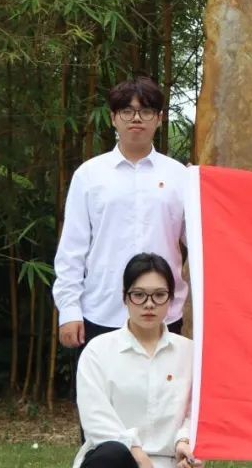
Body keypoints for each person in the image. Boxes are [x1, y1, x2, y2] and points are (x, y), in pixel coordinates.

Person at [54, 77, 189, 351]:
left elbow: (201, 245)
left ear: (159, 118)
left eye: (146, 111)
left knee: (163, 380)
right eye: (127, 111)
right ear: (114, 118)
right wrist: (68, 310)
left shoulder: (180, 176)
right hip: (102, 311)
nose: (136, 118)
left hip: (163, 311)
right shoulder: (89, 175)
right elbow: (72, 249)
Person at [72, 252, 202, 468]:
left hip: (170, 462)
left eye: (159, 295)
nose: (149, 304)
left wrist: (184, 441)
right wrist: (136, 453)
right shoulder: (98, 351)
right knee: (113, 454)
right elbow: (96, 418)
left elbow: (196, 413)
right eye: (139, 295)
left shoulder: (190, 353)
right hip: (117, 461)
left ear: (171, 298)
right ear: (125, 297)